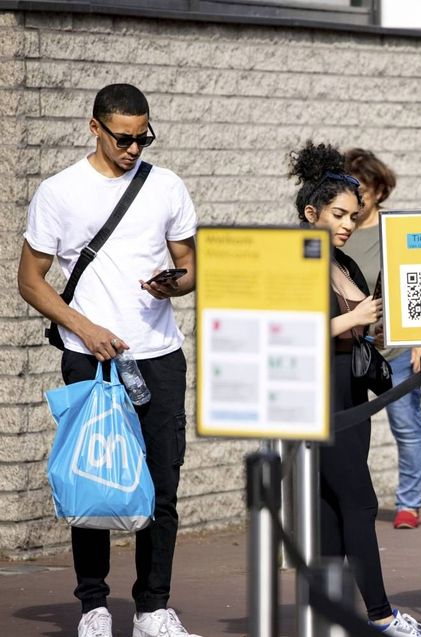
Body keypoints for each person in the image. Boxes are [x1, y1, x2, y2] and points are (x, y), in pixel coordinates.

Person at [17, 84, 202, 637]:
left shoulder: (166, 185)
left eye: (144, 136)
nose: (134, 147)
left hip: (159, 357)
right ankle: (93, 607)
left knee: (160, 486)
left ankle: (152, 609)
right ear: (95, 127)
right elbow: (30, 280)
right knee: (93, 484)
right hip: (89, 360)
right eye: (124, 137)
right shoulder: (60, 192)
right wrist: (85, 328)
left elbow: (191, 265)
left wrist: (177, 285)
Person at [288, 141, 421, 637]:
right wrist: (354, 317)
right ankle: (382, 614)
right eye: (339, 214)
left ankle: (329, 613)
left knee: (330, 508)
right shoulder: (295, 259)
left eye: (353, 214)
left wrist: (384, 324)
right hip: (317, 397)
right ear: (310, 213)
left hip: (352, 396)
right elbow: (285, 333)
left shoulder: (345, 264)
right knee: (362, 504)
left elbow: (360, 331)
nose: (348, 224)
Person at [341, 147, 421, 530]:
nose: (357, 199)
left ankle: (409, 503)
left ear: (379, 189)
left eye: (363, 189)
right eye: (350, 190)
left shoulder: (393, 230)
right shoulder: (337, 232)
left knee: (407, 427)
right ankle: (346, 499)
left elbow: (416, 284)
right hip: (345, 349)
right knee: (346, 427)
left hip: (392, 349)